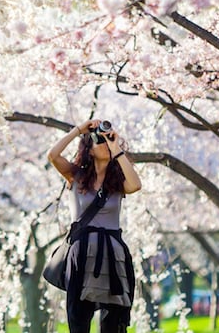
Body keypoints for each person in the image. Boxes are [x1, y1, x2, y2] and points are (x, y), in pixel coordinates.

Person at [48, 118, 143, 333]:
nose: (106, 144)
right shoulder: (75, 176)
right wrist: (79, 130)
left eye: (108, 140)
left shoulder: (117, 183)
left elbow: (136, 185)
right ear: (89, 150)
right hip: (81, 252)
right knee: (79, 317)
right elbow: (52, 156)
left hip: (113, 253)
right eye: (101, 141)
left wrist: (116, 149)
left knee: (113, 320)